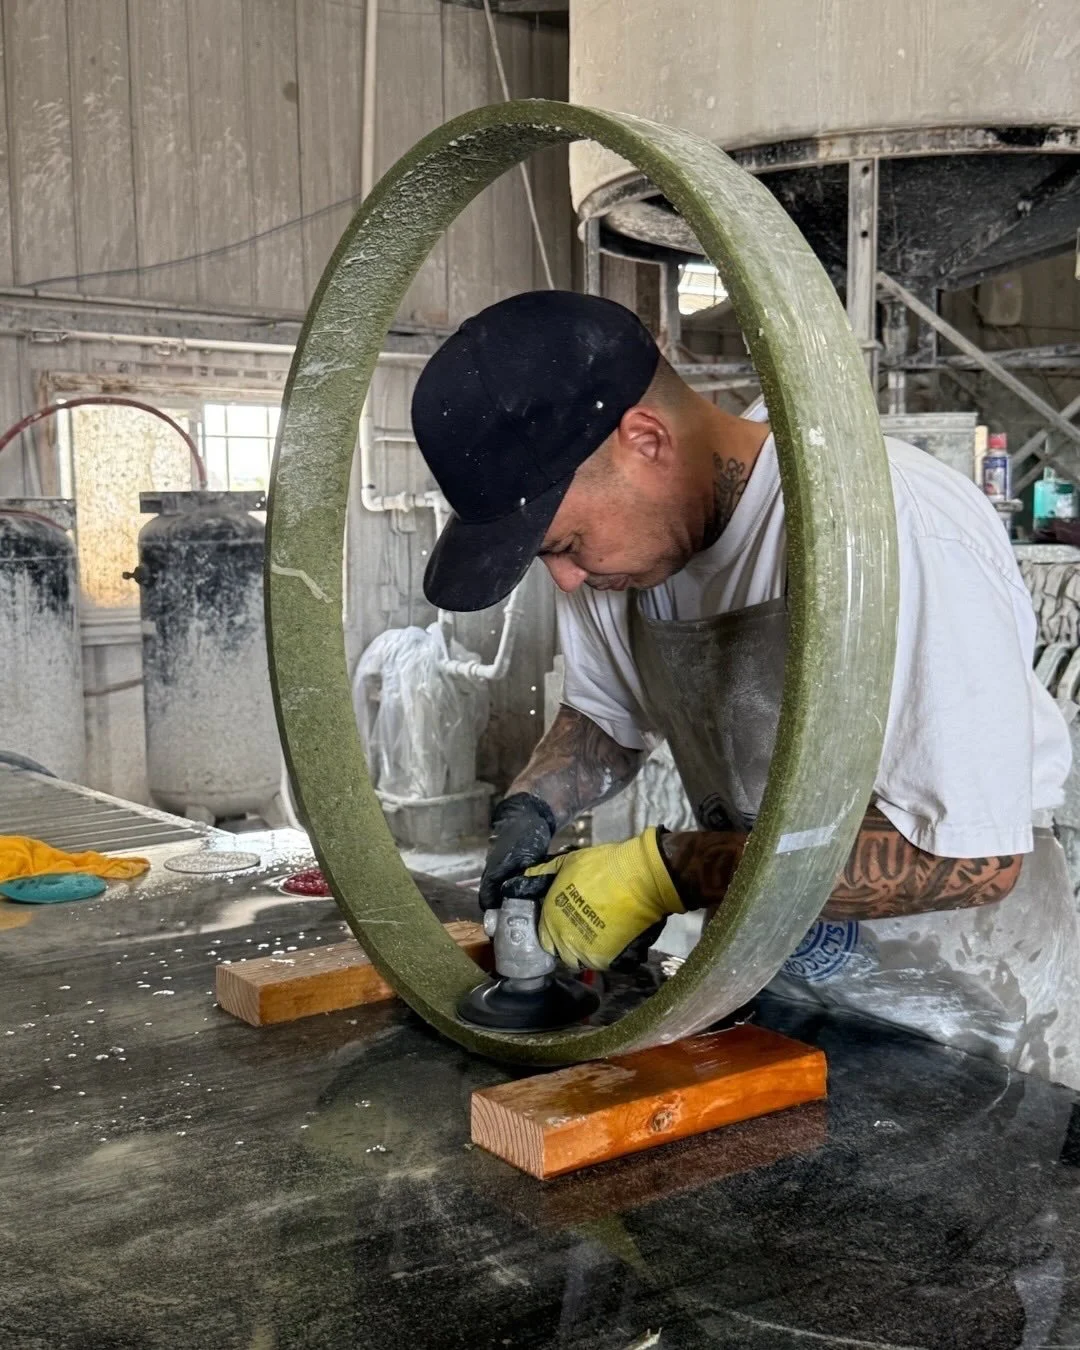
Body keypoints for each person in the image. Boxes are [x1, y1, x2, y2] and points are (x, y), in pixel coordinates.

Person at [410, 289, 1080, 1088]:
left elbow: (975, 860)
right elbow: (604, 720)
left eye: (566, 542)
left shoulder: (889, 527)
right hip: (788, 998)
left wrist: (667, 871)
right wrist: (531, 811)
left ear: (646, 439)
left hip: (975, 1031)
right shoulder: (619, 566)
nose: (564, 578)